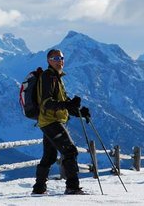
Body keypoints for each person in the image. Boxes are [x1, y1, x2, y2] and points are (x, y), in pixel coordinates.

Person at [32, 49, 91, 195]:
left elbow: (62, 103)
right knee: (70, 150)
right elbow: (47, 103)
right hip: (51, 121)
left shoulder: (57, 78)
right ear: (49, 61)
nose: (60, 60)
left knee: (50, 156)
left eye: (62, 57)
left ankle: (39, 188)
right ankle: (72, 186)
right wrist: (67, 105)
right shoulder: (48, 77)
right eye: (56, 58)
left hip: (49, 121)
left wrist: (79, 112)